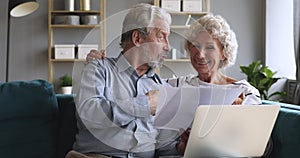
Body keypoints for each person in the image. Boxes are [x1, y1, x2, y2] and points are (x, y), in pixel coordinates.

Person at [68, 3, 188, 158]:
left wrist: (180, 147)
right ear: (137, 38)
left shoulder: (161, 87)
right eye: (161, 36)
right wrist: (144, 104)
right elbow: (89, 115)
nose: (168, 46)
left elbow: (162, 146)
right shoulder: (99, 69)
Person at [87, 14, 261, 105]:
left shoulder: (245, 92)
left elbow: (262, 143)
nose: (200, 54)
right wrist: (99, 62)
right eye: (195, 46)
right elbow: (136, 83)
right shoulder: (175, 85)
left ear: (224, 52)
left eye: (209, 47)